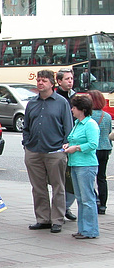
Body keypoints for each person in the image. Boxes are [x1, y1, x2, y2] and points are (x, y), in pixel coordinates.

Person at [23, 70, 74, 234]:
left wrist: (64, 146)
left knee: (58, 186)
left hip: (55, 151)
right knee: (38, 187)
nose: (40, 83)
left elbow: (68, 127)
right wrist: (26, 143)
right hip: (34, 150)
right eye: (38, 80)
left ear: (52, 83)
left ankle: (57, 220)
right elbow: (27, 127)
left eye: (44, 80)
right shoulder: (32, 103)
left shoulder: (61, 103)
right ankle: (43, 219)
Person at [62, 95, 99, 239]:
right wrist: (68, 145)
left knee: (87, 199)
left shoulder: (90, 124)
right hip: (75, 164)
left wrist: (76, 148)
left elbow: (93, 144)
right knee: (80, 198)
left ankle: (90, 230)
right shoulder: (78, 123)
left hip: (86, 165)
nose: (72, 110)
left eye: (74, 108)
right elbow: (73, 139)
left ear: (82, 110)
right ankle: (83, 229)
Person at [55, 68, 77, 221]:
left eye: (71, 78)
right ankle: (59, 208)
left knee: (71, 179)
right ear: (59, 81)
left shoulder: (75, 97)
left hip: (74, 143)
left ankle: (66, 206)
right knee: (60, 180)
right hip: (60, 144)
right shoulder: (55, 98)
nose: (70, 81)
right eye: (67, 79)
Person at [86, 90, 112, 214]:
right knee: (102, 177)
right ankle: (103, 205)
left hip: (93, 149)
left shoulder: (88, 117)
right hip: (105, 149)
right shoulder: (106, 116)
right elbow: (107, 133)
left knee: (89, 177)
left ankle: (95, 199)